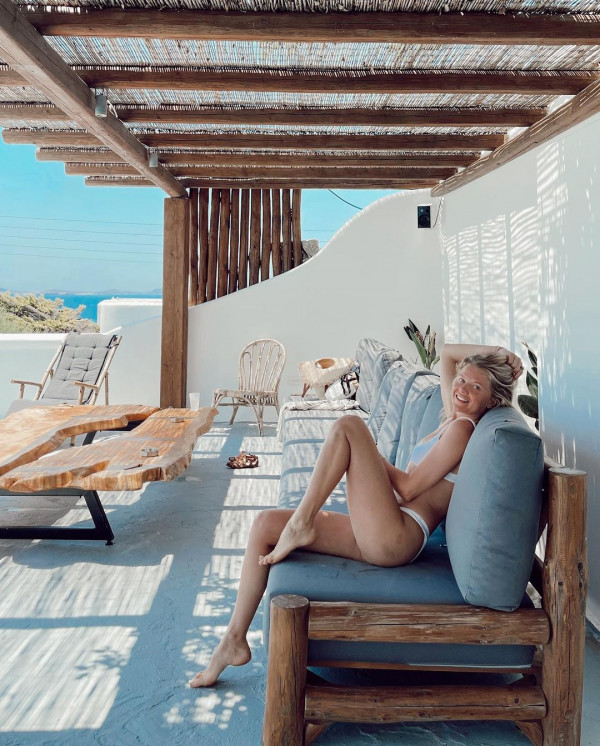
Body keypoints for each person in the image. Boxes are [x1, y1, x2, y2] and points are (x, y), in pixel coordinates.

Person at [190, 343, 523, 688]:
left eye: (476, 387)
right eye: (462, 379)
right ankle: (233, 640)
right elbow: (449, 353)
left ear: (492, 400)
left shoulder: (463, 429)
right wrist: (499, 351)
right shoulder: (452, 418)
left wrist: (368, 453)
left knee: (350, 426)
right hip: (384, 524)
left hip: (398, 537)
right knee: (265, 525)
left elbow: (409, 489)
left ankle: (302, 523)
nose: (462, 388)